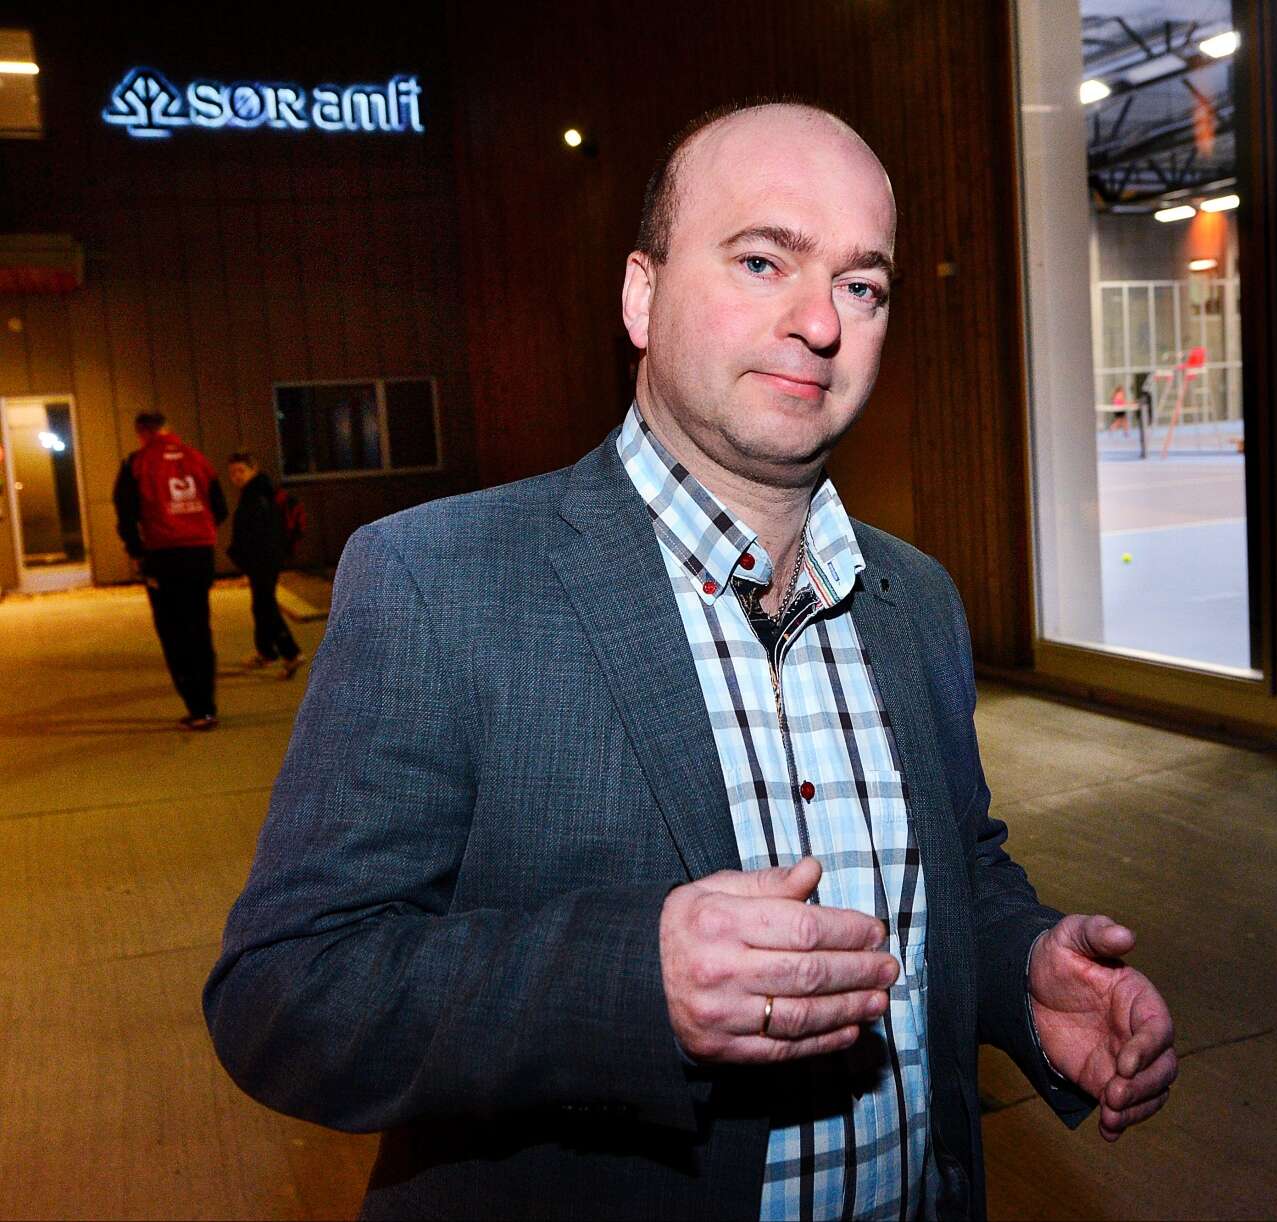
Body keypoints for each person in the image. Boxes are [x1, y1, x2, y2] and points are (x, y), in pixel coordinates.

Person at [204, 100, 1177, 1220]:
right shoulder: (440, 581)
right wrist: (632, 985)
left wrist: (1020, 973)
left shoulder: (916, 600)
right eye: (763, 261)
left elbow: (953, 871)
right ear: (641, 294)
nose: (820, 321)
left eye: (862, 285)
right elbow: (284, 998)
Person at [114, 411, 227, 730]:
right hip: (199, 555)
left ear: (142, 433)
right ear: (168, 428)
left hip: (163, 558)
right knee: (199, 628)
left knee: (173, 632)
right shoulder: (197, 459)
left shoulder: (136, 464)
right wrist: (197, 528)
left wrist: (137, 551)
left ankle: (197, 707)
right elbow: (219, 508)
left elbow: (125, 514)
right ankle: (207, 705)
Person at [225, 451, 305, 679]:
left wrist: (247, 561)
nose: (237, 476)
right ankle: (266, 651)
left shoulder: (257, 495)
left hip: (263, 560)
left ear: (253, 469)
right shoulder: (257, 491)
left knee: (266, 606)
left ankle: (291, 653)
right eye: (233, 472)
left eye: (241, 470)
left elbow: (257, 533)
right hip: (265, 559)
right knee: (260, 605)